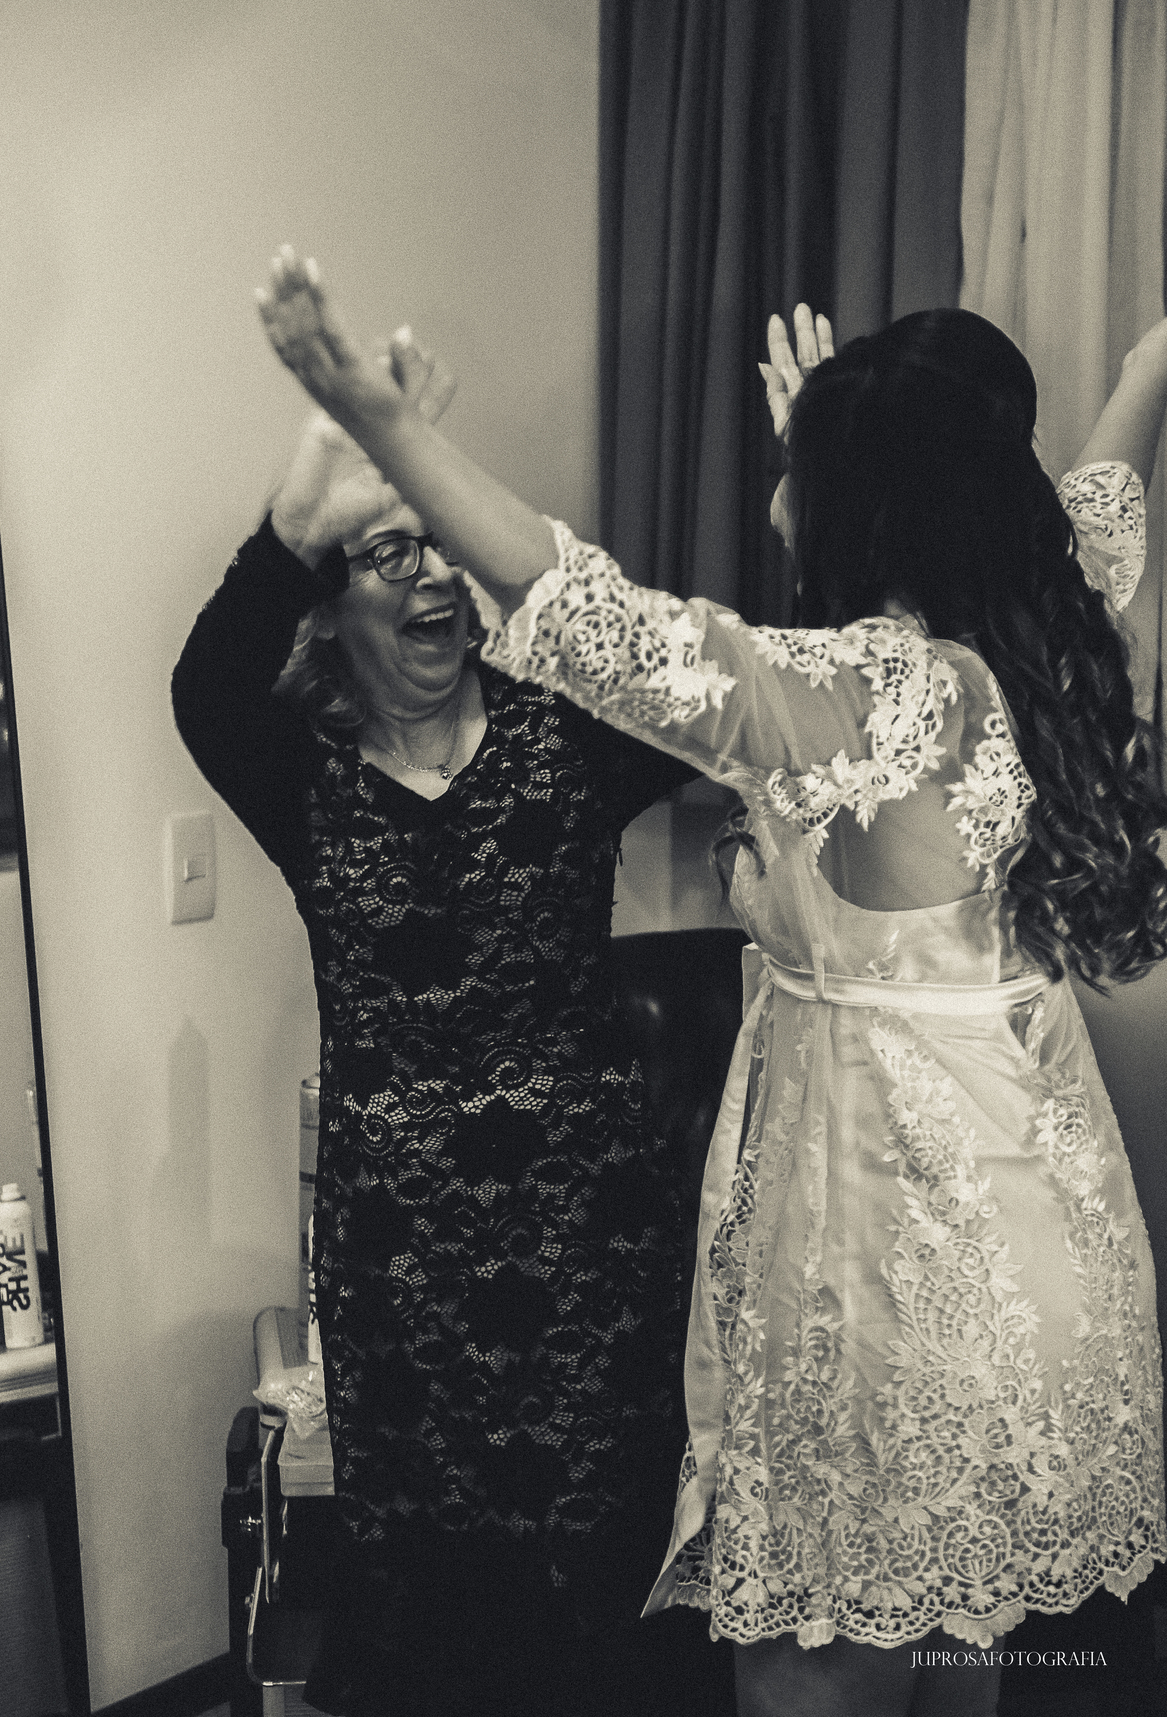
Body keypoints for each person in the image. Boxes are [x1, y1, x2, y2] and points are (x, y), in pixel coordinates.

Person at [254, 243, 1167, 1717]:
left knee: (810, 1667)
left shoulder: (878, 692)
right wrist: (1145, 369)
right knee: (960, 1656)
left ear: (865, 511)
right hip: (1038, 1235)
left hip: (894, 1256)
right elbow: (1109, 485)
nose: (776, 495)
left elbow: (598, 623)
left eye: (800, 475)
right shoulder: (1063, 633)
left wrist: (388, 428)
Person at [171, 346, 703, 1717]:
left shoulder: (570, 733)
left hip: (590, 1249)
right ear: (329, 606)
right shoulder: (300, 775)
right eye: (387, 554)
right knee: (438, 1621)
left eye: (443, 548)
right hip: (402, 1273)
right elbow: (203, 688)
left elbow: (694, 686)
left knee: (604, 1607)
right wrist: (306, 498)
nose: (431, 579)